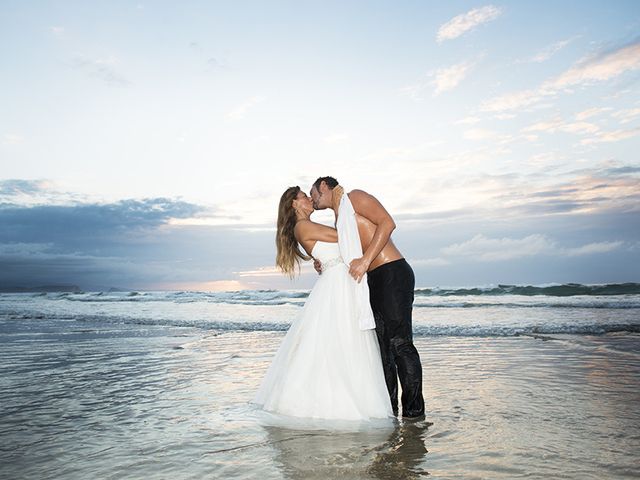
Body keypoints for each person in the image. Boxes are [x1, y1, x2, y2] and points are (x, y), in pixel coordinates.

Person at [252, 186, 393, 422]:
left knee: (341, 342)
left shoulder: (305, 227)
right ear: (294, 205)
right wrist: (340, 206)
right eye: (303, 197)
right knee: (337, 343)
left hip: (340, 282)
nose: (309, 199)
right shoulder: (303, 226)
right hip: (336, 286)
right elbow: (344, 235)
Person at [310, 176, 425, 418]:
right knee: (381, 351)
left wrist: (365, 260)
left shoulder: (356, 197)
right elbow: (350, 250)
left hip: (392, 272)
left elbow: (387, 223)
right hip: (371, 281)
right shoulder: (339, 217)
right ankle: (390, 411)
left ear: (323, 186)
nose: (312, 200)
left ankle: (414, 413)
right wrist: (325, 264)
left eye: (313, 194)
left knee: (400, 345)